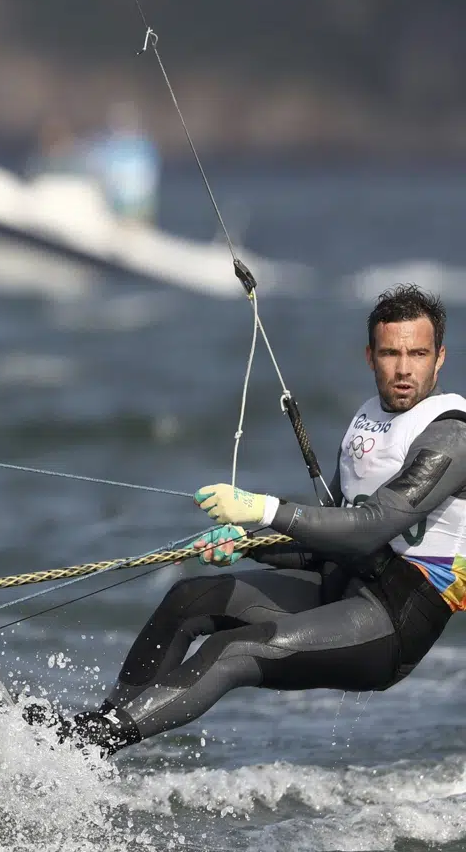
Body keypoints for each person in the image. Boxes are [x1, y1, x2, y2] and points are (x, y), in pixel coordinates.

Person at [55, 284, 461, 753]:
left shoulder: (451, 436)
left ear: (440, 358)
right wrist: (247, 541)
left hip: (393, 618)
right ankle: (100, 733)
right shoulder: (370, 421)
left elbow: (370, 527)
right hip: (341, 585)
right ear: (370, 357)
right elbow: (328, 536)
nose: (404, 368)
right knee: (190, 598)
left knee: (233, 651)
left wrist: (263, 508)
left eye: (418, 353)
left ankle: (82, 745)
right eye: (391, 353)